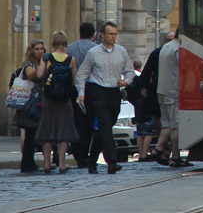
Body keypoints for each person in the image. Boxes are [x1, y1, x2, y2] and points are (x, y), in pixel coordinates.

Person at [75, 21, 134, 175]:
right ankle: (112, 161)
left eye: (115, 34)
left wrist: (126, 81)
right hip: (97, 91)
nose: (113, 37)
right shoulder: (93, 53)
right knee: (105, 124)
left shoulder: (121, 51)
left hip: (114, 92)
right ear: (102, 35)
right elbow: (82, 74)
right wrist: (81, 93)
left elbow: (129, 71)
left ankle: (92, 160)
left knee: (106, 126)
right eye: (110, 34)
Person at [35, 31, 79, 173]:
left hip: (48, 98)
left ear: (53, 42)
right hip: (64, 100)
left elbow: (39, 75)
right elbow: (74, 81)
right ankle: (61, 163)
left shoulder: (47, 58)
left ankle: (47, 163)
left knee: (47, 129)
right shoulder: (71, 59)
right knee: (63, 129)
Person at [153, 28, 191, 167]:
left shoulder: (166, 47)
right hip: (173, 91)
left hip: (162, 89)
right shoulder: (178, 49)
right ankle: (175, 156)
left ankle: (158, 149)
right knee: (176, 126)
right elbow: (186, 68)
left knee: (167, 124)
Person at [67, 22, 97, 167]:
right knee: (88, 123)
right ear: (93, 35)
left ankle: (77, 153)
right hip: (90, 88)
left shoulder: (71, 48)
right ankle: (85, 153)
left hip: (74, 89)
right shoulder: (95, 49)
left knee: (76, 122)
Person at [140, 31, 174, 162]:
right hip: (157, 92)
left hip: (173, 91)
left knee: (171, 124)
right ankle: (163, 150)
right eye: (168, 40)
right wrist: (143, 86)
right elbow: (147, 71)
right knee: (161, 124)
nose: (170, 42)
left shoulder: (178, 53)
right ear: (164, 41)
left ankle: (166, 150)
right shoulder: (157, 53)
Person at [15, 39, 46, 173]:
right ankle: (27, 163)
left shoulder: (42, 63)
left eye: (42, 49)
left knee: (35, 135)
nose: (40, 52)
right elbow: (31, 75)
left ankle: (31, 162)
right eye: (37, 49)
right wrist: (42, 66)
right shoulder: (29, 64)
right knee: (30, 134)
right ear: (32, 51)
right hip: (29, 102)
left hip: (40, 101)